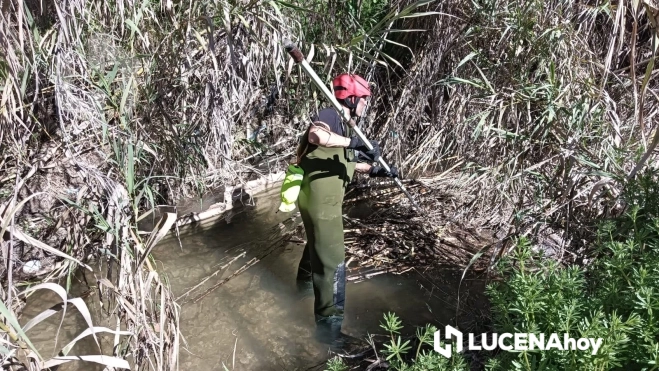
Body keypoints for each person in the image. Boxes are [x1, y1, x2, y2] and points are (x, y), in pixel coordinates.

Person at [294, 73, 399, 355]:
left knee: (317, 246)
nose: (366, 105)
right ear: (352, 98)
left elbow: (339, 163)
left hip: (316, 201)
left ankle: (300, 291)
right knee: (334, 264)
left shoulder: (343, 125)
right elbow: (317, 135)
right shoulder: (330, 114)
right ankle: (329, 334)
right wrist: (353, 143)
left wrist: (375, 170)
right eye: (365, 99)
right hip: (321, 205)